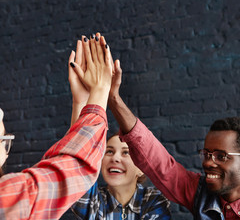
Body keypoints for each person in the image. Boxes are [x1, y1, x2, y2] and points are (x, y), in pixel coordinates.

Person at [0, 34, 113, 219]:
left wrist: (81, 102)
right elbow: (66, 173)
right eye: (2, 141)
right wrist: (101, 89)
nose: (6, 151)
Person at [107, 58, 240, 219]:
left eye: (220, 156)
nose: (208, 163)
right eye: (206, 154)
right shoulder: (200, 191)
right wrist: (113, 99)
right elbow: (159, 163)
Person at [68, 33, 171, 219]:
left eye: (125, 152)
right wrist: (80, 100)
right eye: (108, 151)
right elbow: (77, 165)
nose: (115, 158)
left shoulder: (153, 201)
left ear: (141, 168)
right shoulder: (94, 201)